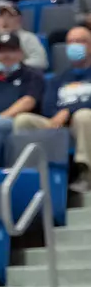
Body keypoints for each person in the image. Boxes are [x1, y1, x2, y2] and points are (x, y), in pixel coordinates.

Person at [12, 27, 91, 191]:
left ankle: (86, 173)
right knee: (23, 119)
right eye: (70, 42)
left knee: (84, 115)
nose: (74, 46)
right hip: (58, 123)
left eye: (80, 41)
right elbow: (48, 108)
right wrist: (58, 117)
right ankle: (30, 175)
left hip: (83, 121)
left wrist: (69, 111)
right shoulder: (58, 79)